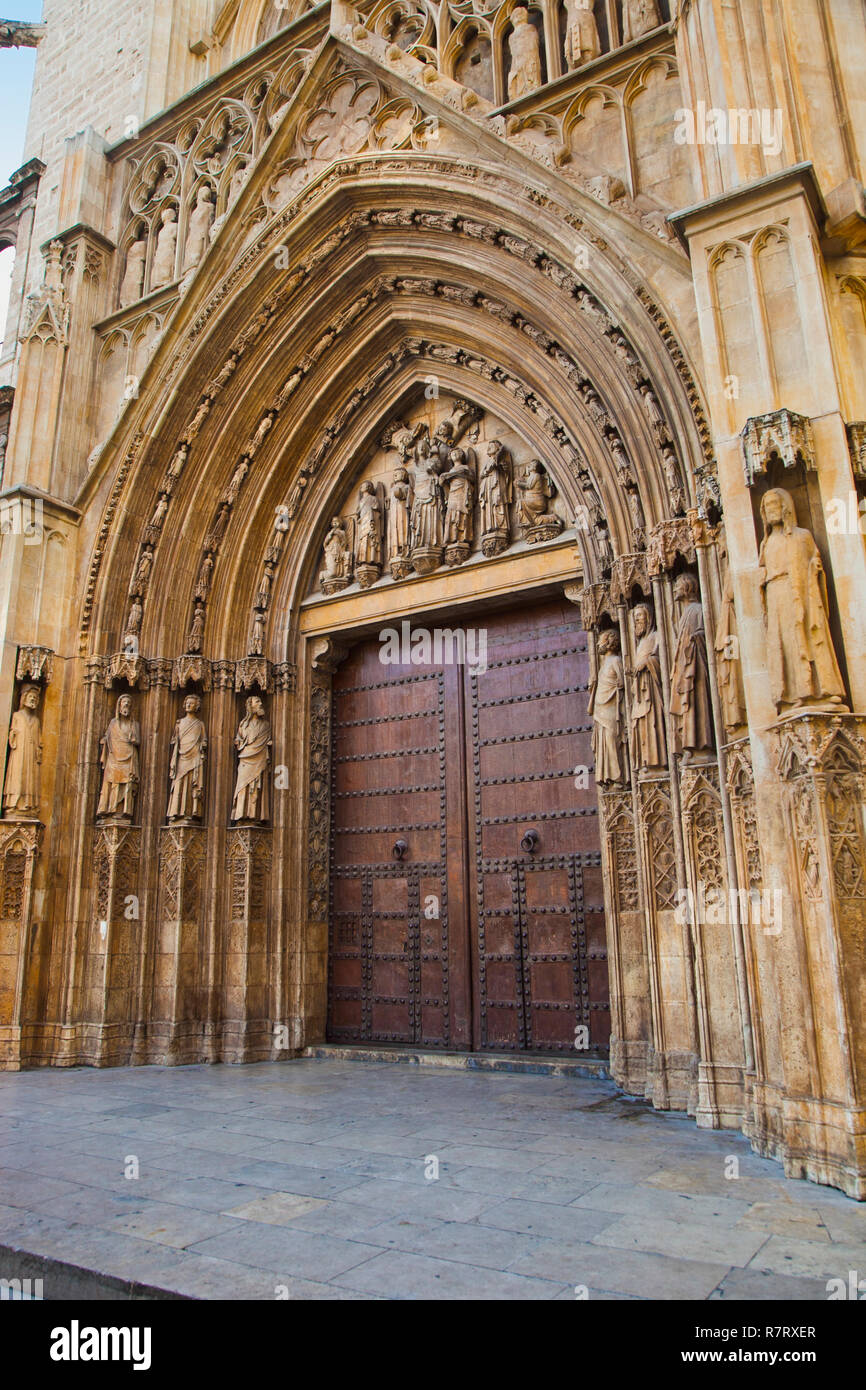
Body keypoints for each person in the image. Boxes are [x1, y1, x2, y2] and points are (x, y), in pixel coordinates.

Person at [3, 684, 42, 817]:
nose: (33, 700)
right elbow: (12, 736)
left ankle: (28, 804)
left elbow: (39, 741)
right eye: (31, 697)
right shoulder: (17, 716)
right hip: (19, 752)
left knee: (30, 778)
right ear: (24, 698)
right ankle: (14, 804)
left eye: (36, 698)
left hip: (31, 755)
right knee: (17, 776)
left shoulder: (36, 721)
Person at [167, 695, 207, 821]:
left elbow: (203, 739)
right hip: (181, 757)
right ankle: (176, 812)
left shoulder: (200, 724)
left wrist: (202, 745)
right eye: (188, 703)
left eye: (192, 703)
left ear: (197, 706)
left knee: (190, 784)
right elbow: (175, 740)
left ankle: (190, 812)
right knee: (179, 783)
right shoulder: (179, 723)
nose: (189, 705)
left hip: (194, 757)